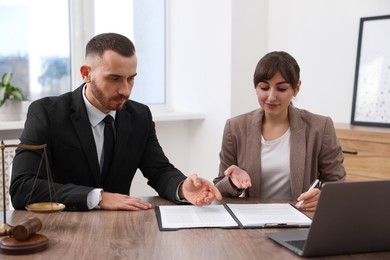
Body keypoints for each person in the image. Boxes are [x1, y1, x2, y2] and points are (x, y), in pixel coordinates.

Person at [10, 32, 222, 211]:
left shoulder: (140, 116)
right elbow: (22, 187)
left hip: (119, 231)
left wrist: (182, 187)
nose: (125, 90)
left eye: (131, 78)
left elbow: (159, 170)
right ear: (86, 73)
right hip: (65, 227)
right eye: (114, 78)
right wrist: (98, 198)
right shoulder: (46, 112)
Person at [213, 51, 345, 211]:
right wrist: (233, 183)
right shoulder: (235, 127)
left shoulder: (320, 127)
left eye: (281, 89)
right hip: (253, 221)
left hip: (301, 219)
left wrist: (321, 196)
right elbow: (219, 190)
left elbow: (338, 185)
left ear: (296, 88)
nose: (271, 96)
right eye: (264, 88)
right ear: (255, 87)